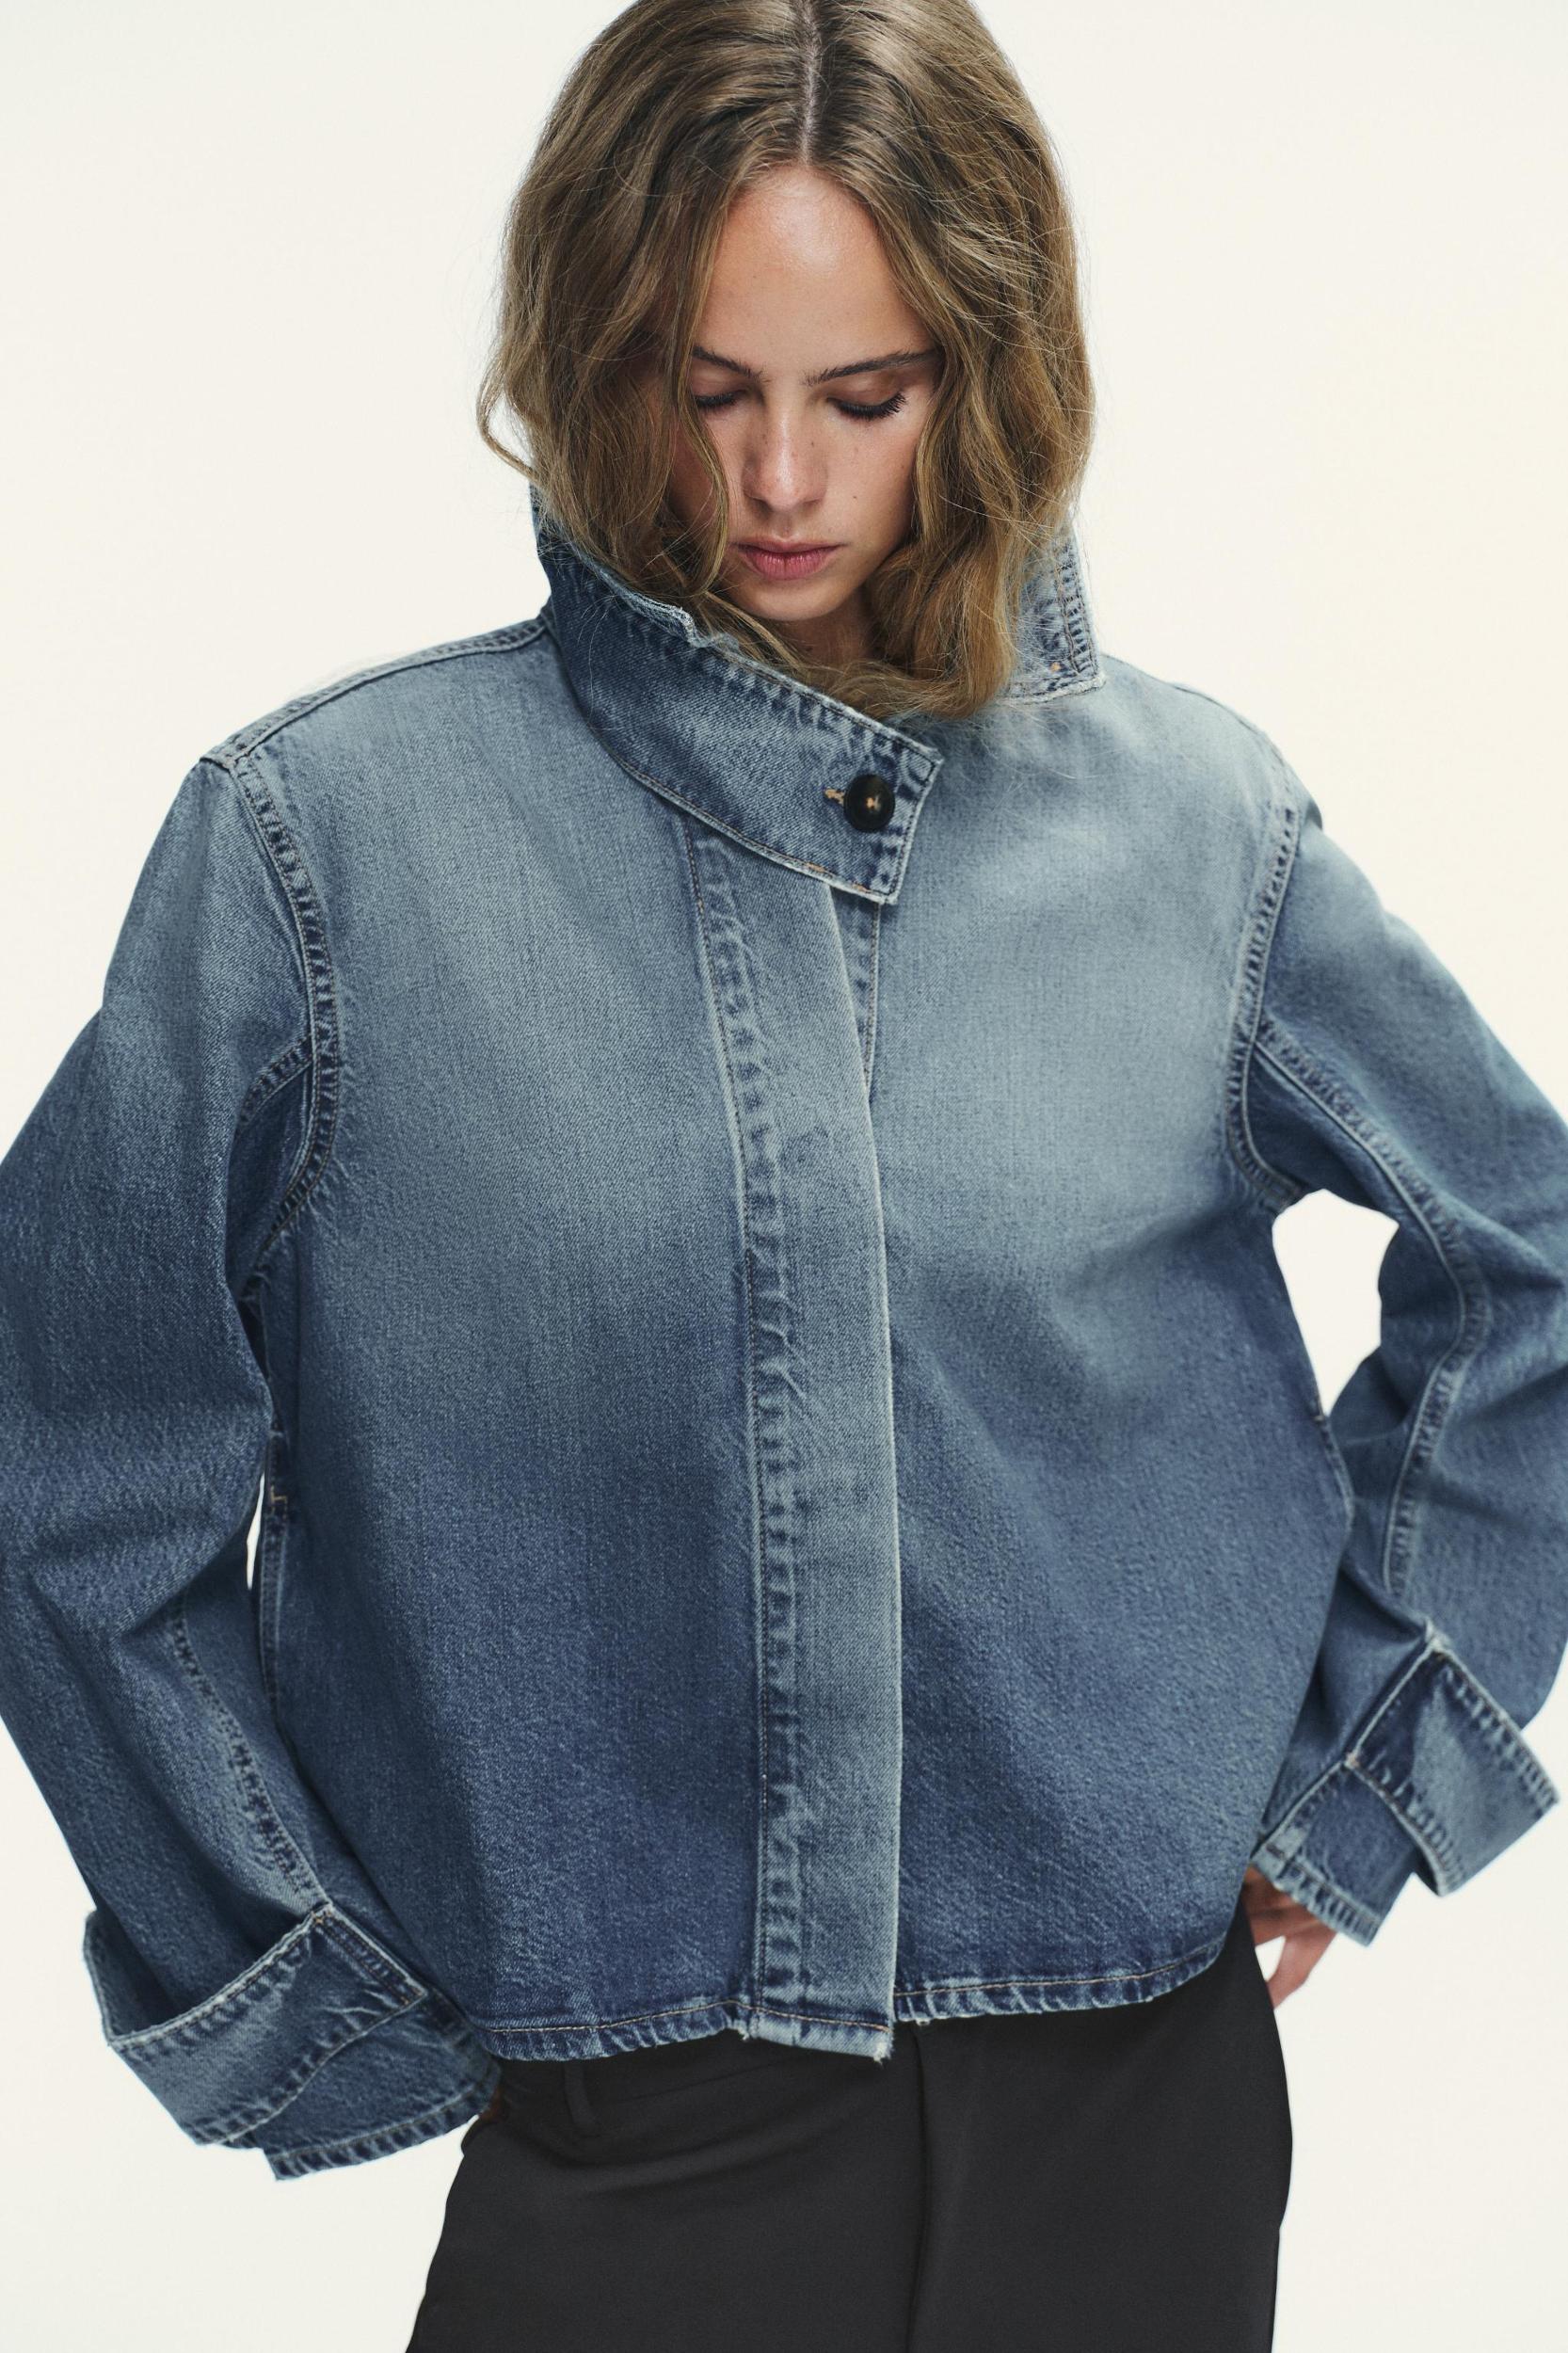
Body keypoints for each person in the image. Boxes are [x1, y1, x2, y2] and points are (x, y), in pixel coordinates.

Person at [2, 3, 1565, 2347]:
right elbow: (72, 1442)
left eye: (868, 393)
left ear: (985, 368)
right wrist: (287, 1967)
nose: (779, 479)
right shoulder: (323, 848)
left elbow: (1524, 1255)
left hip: (1134, 2098)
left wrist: (1366, 1777)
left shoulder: (1191, 829)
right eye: (703, 381)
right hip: (622, 2128)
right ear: (589, 348)